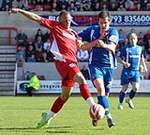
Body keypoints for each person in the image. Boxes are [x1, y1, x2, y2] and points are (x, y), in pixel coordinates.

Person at [10, 8, 98, 128]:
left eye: (69, 20)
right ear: (59, 20)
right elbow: (36, 18)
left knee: (64, 96)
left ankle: (48, 116)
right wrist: (20, 11)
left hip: (72, 64)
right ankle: (93, 106)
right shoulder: (55, 26)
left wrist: (97, 42)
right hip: (63, 61)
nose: (68, 22)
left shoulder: (73, 33)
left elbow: (82, 46)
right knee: (81, 79)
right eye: (65, 20)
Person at [78, 11, 119, 128]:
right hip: (94, 65)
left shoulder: (113, 32)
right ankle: (109, 117)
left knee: (105, 94)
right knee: (100, 89)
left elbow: (112, 47)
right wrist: (81, 42)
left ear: (109, 22)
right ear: (98, 21)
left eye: (105, 23)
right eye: (101, 23)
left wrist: (103, 45)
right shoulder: (92, 30)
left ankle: (96, 115)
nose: (103, 25)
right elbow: (78, 37)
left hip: (109, 66)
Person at [117, 32, 147, 110]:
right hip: (127, 71)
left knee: (136, 88)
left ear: (137, 39)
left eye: (134, 38)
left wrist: (144, 66)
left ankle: (129, 99)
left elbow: (142, 58)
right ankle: (120, 104)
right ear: (129, 40)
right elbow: (118, 58)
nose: (133, 40)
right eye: (131, 38)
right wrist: (124, 63)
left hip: (136, 71)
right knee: (125, 88)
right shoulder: (125, 48)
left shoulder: (140, 48)